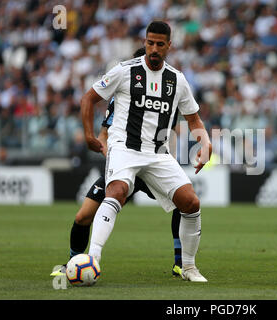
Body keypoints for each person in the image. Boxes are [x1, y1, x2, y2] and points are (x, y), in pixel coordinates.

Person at [81, 21, 212, 282]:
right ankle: (92, 259)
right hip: (124, 148)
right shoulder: (124, 71)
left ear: (169, 46)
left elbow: (194, 119)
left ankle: (188, 268)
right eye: (150, 43)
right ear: (144, 42)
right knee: (116, 191)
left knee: (191, 202)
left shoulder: (177, 79)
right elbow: (89, 98)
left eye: (159, 44)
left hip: (157, 154)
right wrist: (88, 135)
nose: (154, 48)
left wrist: (205, 142)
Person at [50, 48, 184, 278]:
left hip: (152, 166)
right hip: (124, 165)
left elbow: (171, 136)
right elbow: (104, 134)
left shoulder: (168, 98)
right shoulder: (120, 99)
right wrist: (111, 153)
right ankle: (74, 263)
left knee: (184, 203)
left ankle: (180, 263)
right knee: (83, 216)